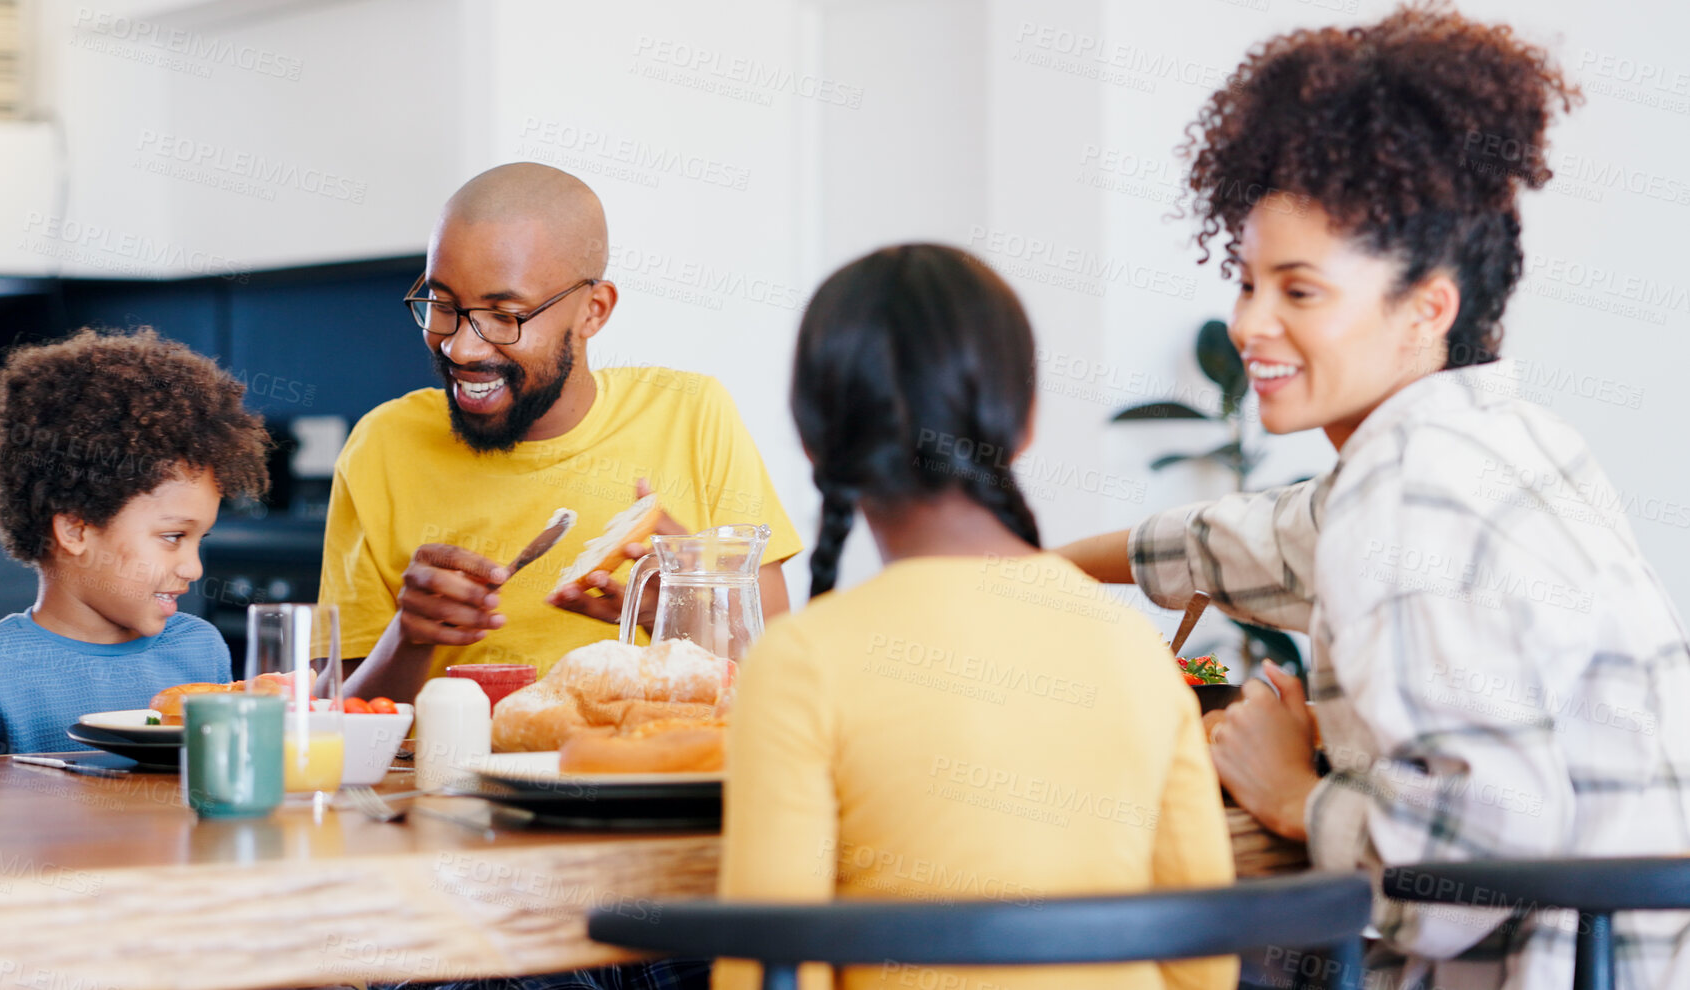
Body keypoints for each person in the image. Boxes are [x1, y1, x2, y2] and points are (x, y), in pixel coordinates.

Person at [1054, 6, 1690, 987]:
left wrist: (1289, 792)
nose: (1249, 325)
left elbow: (1464, 880)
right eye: (1250, 282)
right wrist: (1043, 567)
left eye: (1299, 292)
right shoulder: (1507, 443)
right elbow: (1268, 537)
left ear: (1426, 307)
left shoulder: (1411, 495)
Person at [717, 244, 1236, 990]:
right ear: (1022, 423)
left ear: (811, 438)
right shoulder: (1131, 647)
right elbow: (1203, 959)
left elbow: (764, 972)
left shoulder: (801, 661)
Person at [321, 162, 802, 703]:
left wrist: (683, 618)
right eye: (442, 305)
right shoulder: (382, 445)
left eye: (505, 315)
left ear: (593, 312)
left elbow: (780, 689)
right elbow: (332, 717)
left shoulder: (692, 414)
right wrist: (407, 638)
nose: (460, 347)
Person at [0, 330, 269, 757]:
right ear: (76, 531)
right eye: (173, 537)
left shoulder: (199, 649)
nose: (194, 568)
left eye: (199, 539)